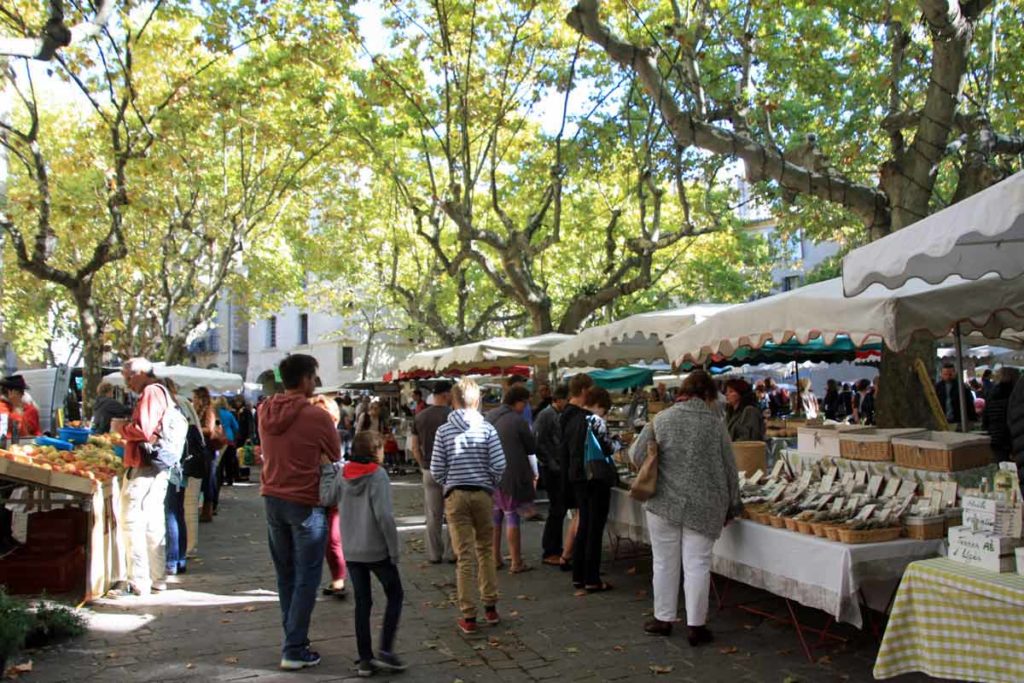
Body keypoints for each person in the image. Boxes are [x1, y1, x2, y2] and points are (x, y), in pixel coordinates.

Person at [629, 370, 741, 644]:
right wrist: (734, 504)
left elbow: (635, 454)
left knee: (664, 562)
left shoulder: (662, 419)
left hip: (664, 502)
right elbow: (730, 469)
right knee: (698, 565)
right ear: (708, 395)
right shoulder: (716, 424)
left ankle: (663, 619)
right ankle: (696, 626)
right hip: (705, 505)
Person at [259, 354, 341, 671]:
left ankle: (293, 639)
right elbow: (334, 454)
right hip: (305, 502)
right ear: (306, 378)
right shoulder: (317, 416)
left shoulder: (264, 410)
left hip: (272, 498)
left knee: (286, 575)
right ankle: (294, 647)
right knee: (307, 576)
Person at [430, 378, 506, 635]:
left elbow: (436, 469)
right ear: (476, 400)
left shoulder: (443, 431)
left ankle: (468, 615)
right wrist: (488, 482)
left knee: (464, 556)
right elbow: (499, 464)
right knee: (485, 550)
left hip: (456, 496)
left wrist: (449, 484)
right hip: (483, 494)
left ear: (453, 400)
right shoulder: (487, 429)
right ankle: (491, 607)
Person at [110, 358, 187, 598]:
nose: (126, 383)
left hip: (145, 466)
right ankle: (156, 578)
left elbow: (143, 429)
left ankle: (138, 581)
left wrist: (120, 427)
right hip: (156, 467)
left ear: (141, 372)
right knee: (153, 522)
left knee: (132, 521)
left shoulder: (152, 392)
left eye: (128, 377)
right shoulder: (162, 391)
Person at [339, 430, 406, 677]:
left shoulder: (342, 472)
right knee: (395, 594)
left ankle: (365, 659)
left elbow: (328, 498)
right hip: (376, 549)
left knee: (362, 603)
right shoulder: (378, 475)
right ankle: (386, 650)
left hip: (352, 549)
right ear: (375, 451)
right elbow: (385, 516)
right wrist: (394, 549)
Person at [568, 385, 617, 594]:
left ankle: (578, 576)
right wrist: (618, 443)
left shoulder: (572, 419)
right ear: (599, 405)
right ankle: (592, 578)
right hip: (595, 479)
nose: (604, 414)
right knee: (594, 530)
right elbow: (608, 447)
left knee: (584, 527)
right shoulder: (595, 421)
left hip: (578, 478)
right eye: (605, 410)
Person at [486, 384, 538, 574]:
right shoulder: (517, 421)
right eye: (525, 403)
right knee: (511, 516)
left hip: (490, 475)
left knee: (496, 517)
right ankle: (516, 562)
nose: (525, 407)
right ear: (519, 402)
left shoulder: (489, 416)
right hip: (510, 475)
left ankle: (495, 558)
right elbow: (531, 447)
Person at [408, 381, 455, 564]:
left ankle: (435, 554)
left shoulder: (420, 417)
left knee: (433, 515)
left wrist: (422, 465)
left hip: (429, 469)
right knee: (452, 512)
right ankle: (452, 552)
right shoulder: (452, 416)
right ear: (446, 394)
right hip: (451, 471)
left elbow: (414, 447)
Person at [309, 396, 348, 599]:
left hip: (336, 494)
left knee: (333, 539)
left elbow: (347, 465)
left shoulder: (342, 437)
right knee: (316, 542)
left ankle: (339, 580)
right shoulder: (307, 438)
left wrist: (328, 465)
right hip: (311, 494)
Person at [557, 375, 595, 573]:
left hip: (569, 471)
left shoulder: (566, 414)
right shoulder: (577, 416)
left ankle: (567, 555)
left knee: (577, 515)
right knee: (581, 516)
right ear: (583, 391)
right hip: (577, 474)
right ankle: (572, 559)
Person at [534, 385, 569, 567]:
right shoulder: (547, 415)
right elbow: (538, 442)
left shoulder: (555, 414)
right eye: (566, 400)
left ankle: (555, 547)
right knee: (556, 509)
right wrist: (553, 464)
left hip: (556, 467)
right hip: (552, 469)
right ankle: (550, 550)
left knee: (559, 510)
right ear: (559, 400)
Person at [192, 387, 219, 522]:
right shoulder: (196, 411)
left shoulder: (209, 410)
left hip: (207, 449)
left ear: (201, 398)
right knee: (203, 478)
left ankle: (208, 509)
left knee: (208, 479)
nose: (194, 400)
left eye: (195, 398)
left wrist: (194, 428)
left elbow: (209, 429)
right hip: (199, 449)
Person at [983, 368, 1020, 461]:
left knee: (1002, 467)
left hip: (995, 436)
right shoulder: (1016, 394)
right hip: (1011, 437)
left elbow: (985, 418)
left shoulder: (991, 393)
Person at [0, 375, 42, 439]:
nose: (23, 394)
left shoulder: (31, 409)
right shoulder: (2, 408)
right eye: (21, 391)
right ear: (10, 392)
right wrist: (16, 407)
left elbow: (37, 431)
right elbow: (20, 433)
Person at [215, 397, 240, 486]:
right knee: (229, 461)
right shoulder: (229, 414)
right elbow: (236, 427)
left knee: (219, 462)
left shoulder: (215, 414)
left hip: (218, 439)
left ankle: (219, 480)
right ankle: (230, 479)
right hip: (229, 439)